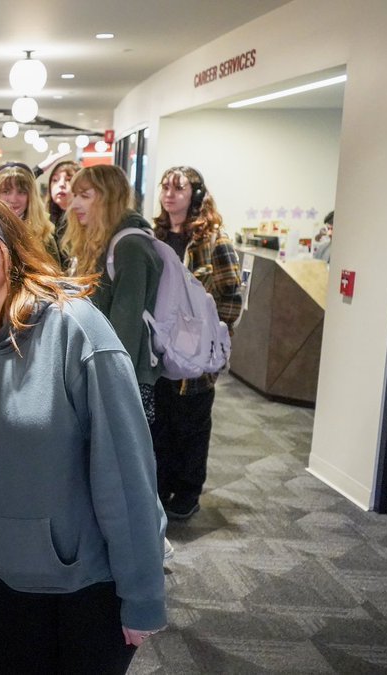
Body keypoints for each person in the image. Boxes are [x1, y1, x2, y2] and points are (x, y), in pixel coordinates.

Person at [0, 192, 166, 674]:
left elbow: (128, 475)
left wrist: (143, 595)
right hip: (12, 575)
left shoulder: (76, 330)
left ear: (10, 249)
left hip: (89, 584)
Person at [151, 166, 242, 520]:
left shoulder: (214, 240)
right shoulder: (153, 235)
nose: (170, 194)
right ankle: (160, 484)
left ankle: (187, 490)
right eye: (166, 187)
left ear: (197, 195)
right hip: (160, 350)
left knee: (191, 424)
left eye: (180, 188)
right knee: (160, 422)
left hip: (196, 357)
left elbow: (232, 296)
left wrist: (207, 339)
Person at [63, 164, 163, 423]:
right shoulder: (99, 241)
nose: (74, 204)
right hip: (99, 371)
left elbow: (125, 331)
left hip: (121, 378)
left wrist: (107, 387)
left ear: (110, 197)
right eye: (75, 195)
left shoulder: (129, 246)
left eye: (85, 196)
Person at [0, 166, 60, 264]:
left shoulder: (44, 232)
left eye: (21, 192)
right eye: (6, 191)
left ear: (31, 196)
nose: (13, 199)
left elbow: (55, 273)